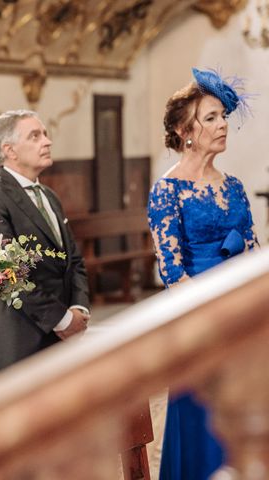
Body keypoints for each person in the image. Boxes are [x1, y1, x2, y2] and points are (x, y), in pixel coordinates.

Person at [148, 67, 258, 480]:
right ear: (184, 130)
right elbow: (172, 272)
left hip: (240, 315)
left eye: (222, 116)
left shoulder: (234, 187)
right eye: (210, 117)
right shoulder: (168, 190)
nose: (223, 124)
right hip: (198, 317)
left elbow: (252, 250)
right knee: (201, 415)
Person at [0, 110, 91, 377]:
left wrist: (78, 308)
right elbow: (9, 274)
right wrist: (63, 320)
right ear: (9, 150)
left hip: (63, 337)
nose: (46, 142)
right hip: (22, 338)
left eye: (45, 134)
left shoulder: (49, 195)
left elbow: (74, 260)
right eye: (35, 136)